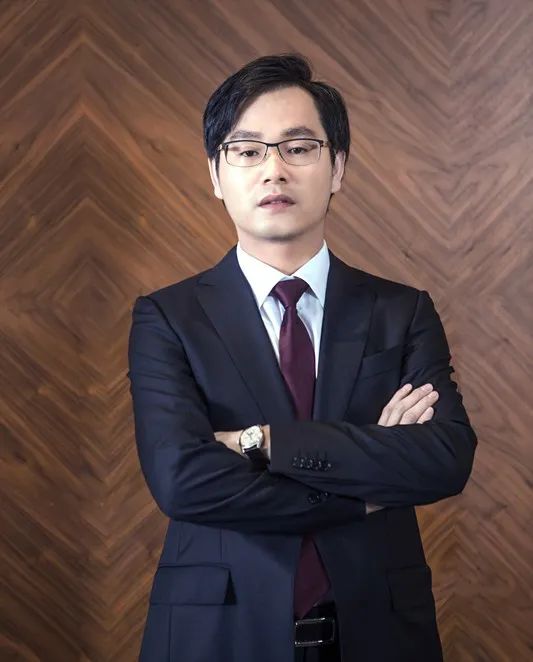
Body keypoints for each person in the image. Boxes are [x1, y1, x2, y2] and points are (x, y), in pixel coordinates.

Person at [127, 53, 477, 662]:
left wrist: (261, 443)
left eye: (298, 148)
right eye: (248, 151)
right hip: (219, 638)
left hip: (380, 633)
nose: (274, 170)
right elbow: (184, 482)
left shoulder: (401, 311)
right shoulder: (168, 318)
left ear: (337, 167)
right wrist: (362, 489)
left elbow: (444, 459)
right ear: (215, 174)